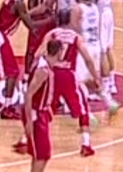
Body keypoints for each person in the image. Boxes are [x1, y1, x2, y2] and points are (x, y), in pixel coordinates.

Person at [21, 9, 101, 158]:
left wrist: (32, 72)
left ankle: (25, 139)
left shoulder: (52, 34)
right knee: (83, 108)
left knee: (45, 107)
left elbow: (37, 54)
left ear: (57, 21)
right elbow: (88, 59)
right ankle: (86, 144)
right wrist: (96, 77)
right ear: (70, 21)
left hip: (52, 75)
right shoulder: (76, 37)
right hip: (68, 75)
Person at [20, 39, 63, 172]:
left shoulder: (45, 64)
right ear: (58, 52)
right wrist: (29, 121)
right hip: (36, 115)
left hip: (41, 112)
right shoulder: (43, 71)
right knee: (42, 155)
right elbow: (29, 94)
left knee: (39, 154)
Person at [82, 0, 119, 103]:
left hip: (102, 13)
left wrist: (96, 14)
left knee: (103, 50)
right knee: (108, 48)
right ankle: (111, 83)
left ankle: (104, 87)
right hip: (107, 12)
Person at [23, 0, 61, 75]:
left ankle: (52, 72)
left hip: (53, 17)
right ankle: (27, 74)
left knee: (54, 45)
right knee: (32, 48)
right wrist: (32, 17)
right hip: (40, 16)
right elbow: (32, 1)